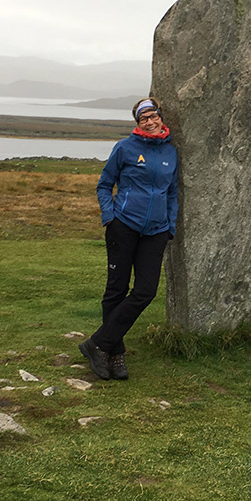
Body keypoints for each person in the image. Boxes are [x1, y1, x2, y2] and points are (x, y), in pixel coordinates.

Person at [79, 97, 178, 380]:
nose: (149, 121)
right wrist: (110, 217)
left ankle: (97, 343)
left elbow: (171, 193)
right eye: (142, 118)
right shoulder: (125, 148)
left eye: (152, 116)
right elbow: (104, 184)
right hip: (124, 226)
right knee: (116, 290)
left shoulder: (171, 153)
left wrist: (170, 225)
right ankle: (115, 353)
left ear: (160, 117)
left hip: (156, 232)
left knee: (146, 291)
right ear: (138, 123)